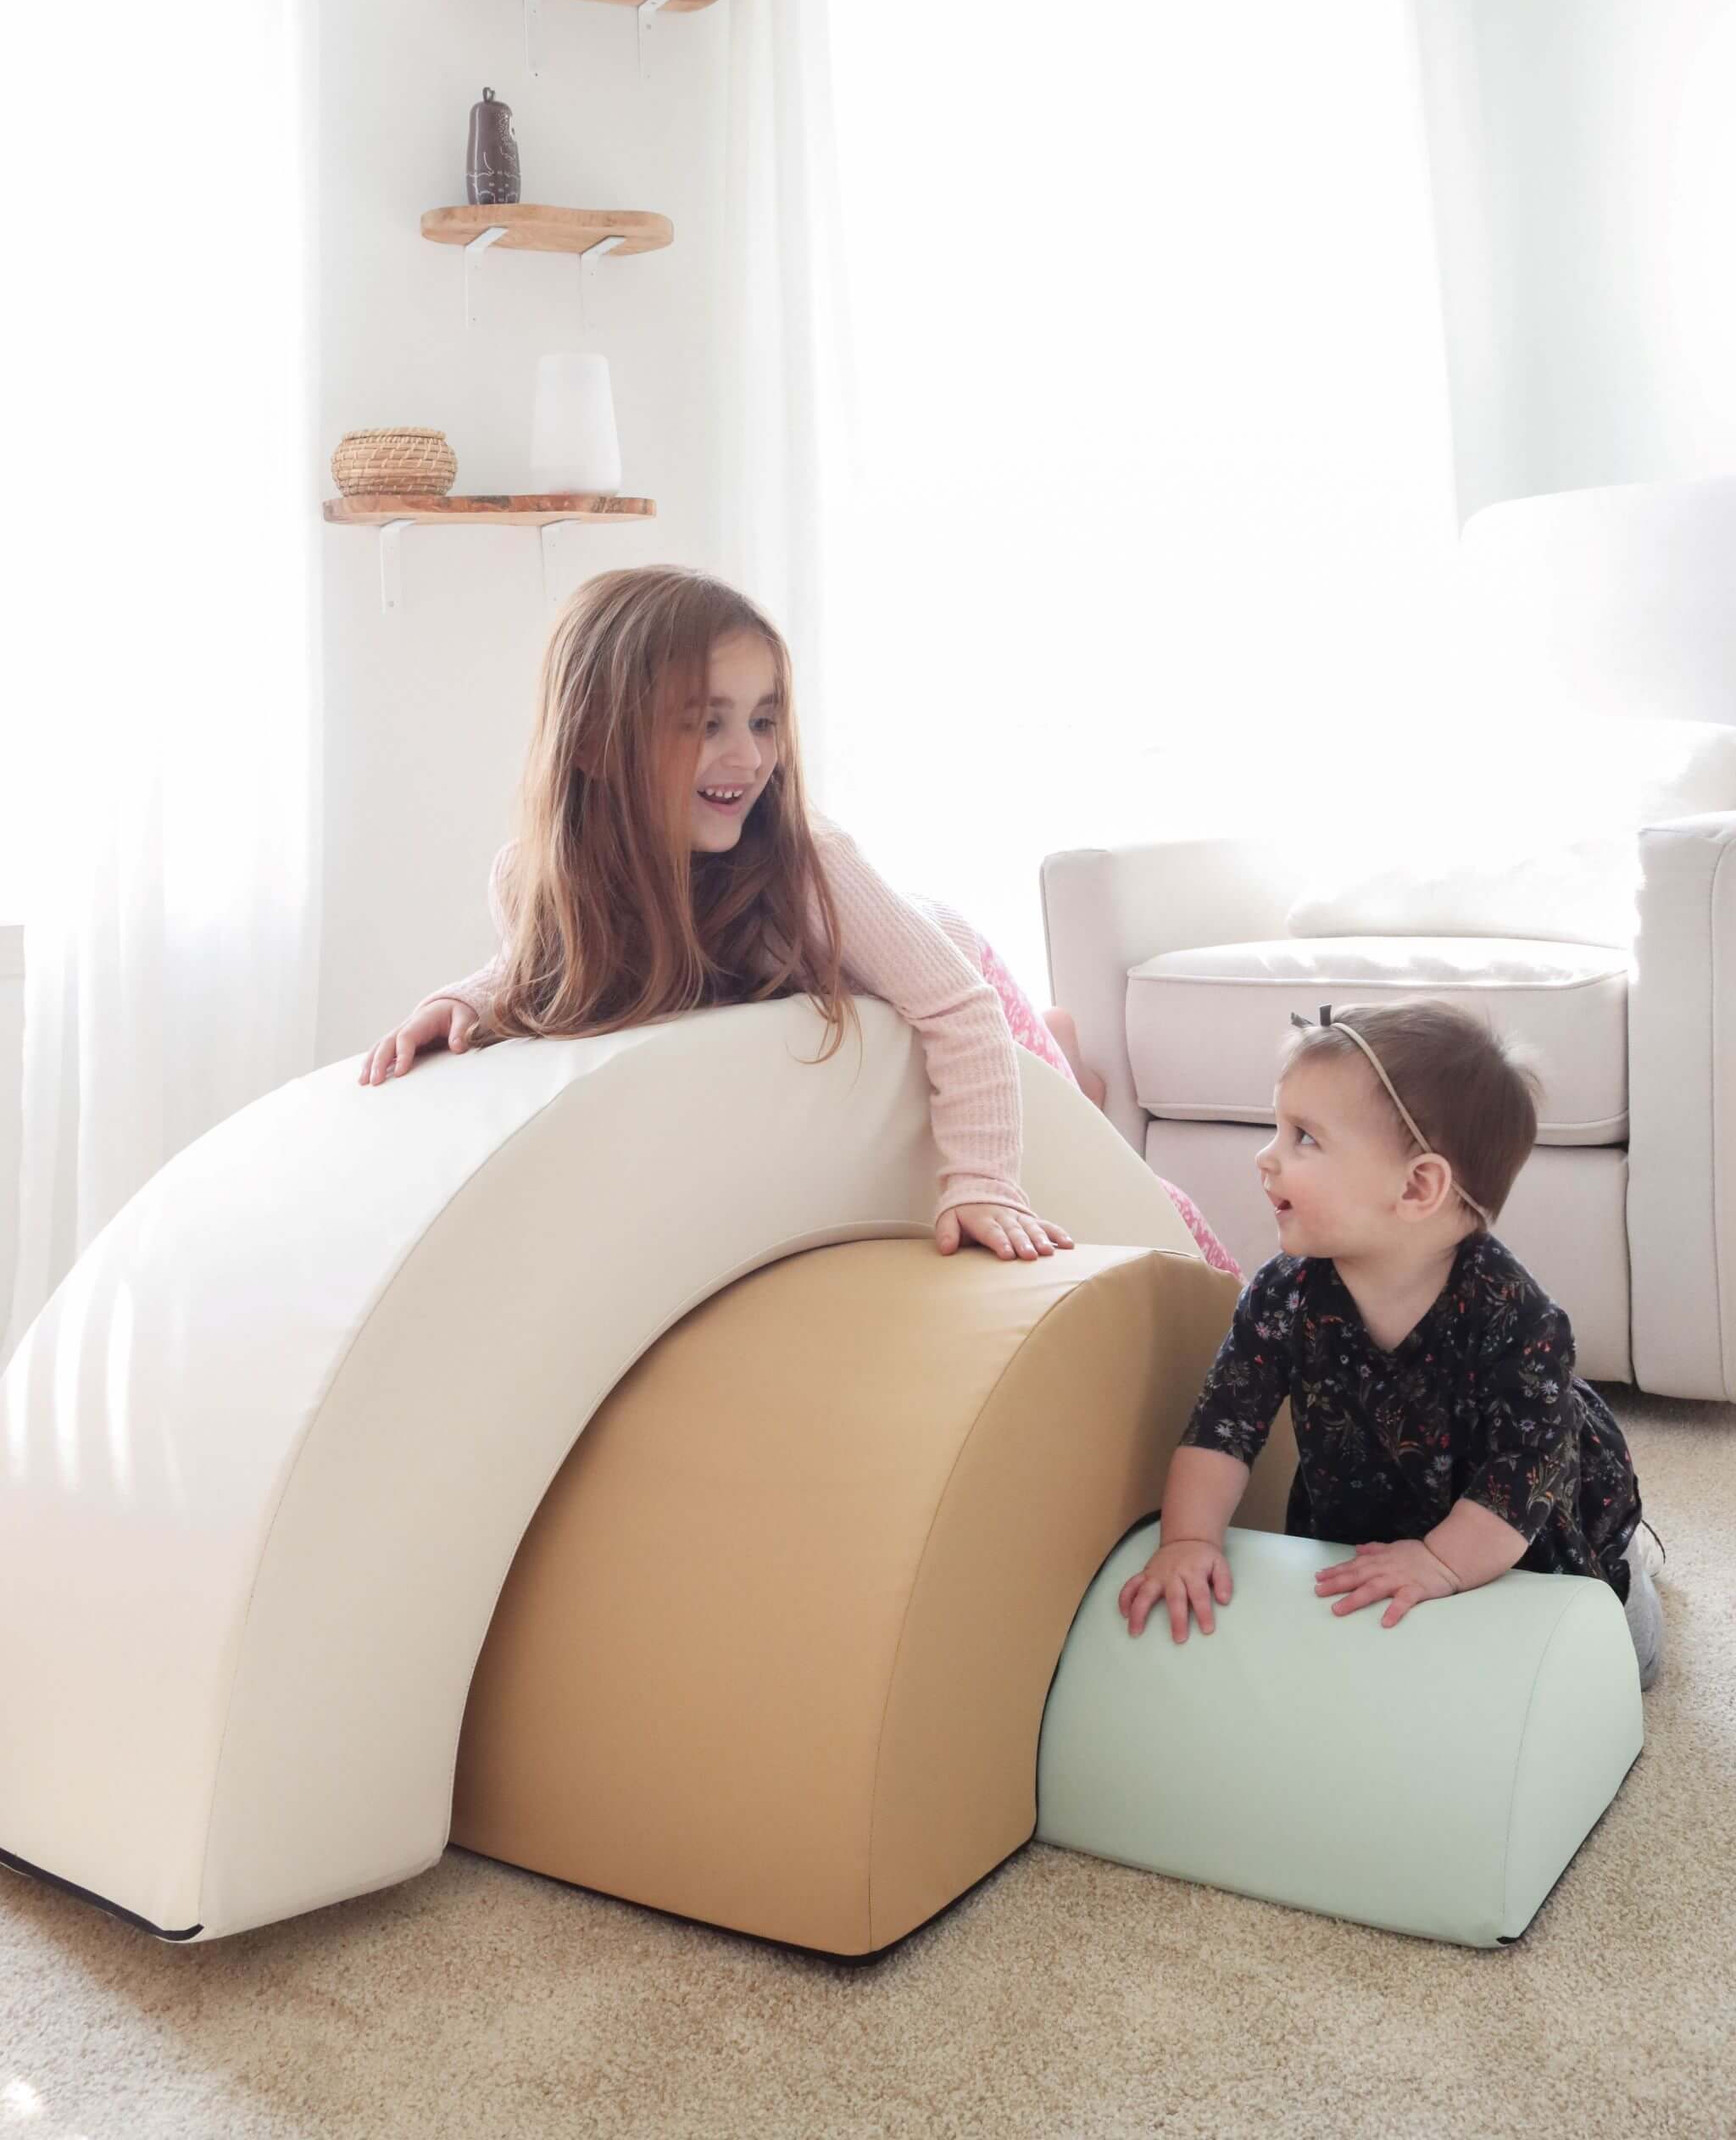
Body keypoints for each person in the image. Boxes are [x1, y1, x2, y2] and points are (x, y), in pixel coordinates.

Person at [358, 564, 1235, 1270]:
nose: (746, 757)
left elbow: (955, 1010)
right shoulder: (531, 877)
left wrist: (981, 1182)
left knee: (1123, 1181)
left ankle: (1059, 1055)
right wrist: (468, 1000)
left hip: (956, 977)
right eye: (705, 724)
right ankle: (1069, 1052)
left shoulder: (805, 866)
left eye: (764, 720)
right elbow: (540, 962)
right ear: (590, 742)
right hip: (864, 988)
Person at [1118, 999, 1662, 1687]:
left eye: (1303, 1137)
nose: (1265, 1156)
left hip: (1513, 1514)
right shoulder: (1283, 1296)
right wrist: (1188, 1538)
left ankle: (1634, 1571)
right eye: (1276, 1128)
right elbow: (1223, 1427)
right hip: (1369, 1500)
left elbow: (1522, 1478)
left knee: (1628, 1667)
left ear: (1417, 1187)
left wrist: (1439, 1562)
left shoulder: (1520, 1322)